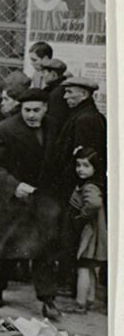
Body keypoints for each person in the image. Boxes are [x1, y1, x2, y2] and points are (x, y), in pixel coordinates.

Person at [0, 88, 62, 319]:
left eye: (36, 110)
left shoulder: (54, 127)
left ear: (45, 109)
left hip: (42, 198)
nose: (31, 115)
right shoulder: (5, 130)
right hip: (14, 200)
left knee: (45, 249)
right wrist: (13, 185)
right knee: (6, 248)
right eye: (27, 110)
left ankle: (48, 299)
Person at [50, 77, 107, 298]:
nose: (65, 97)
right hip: (78, 187)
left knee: (72, 236)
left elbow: (84, 159)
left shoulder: (85, 120)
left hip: (77, 190)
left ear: (83, 94)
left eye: (70, 92)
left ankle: (69, 286)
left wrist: (76, 187)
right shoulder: (87, 116)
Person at [66, 146, 107, 314]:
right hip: (95, 234)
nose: (81, 169)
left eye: (86, 165)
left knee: (82, 267)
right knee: (90, 267)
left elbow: (94, 203)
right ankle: (90, 300)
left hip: (89, 234)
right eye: (78, 165)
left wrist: (83, 215)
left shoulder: (90, 187)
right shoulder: (94, 183)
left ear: (95, 167)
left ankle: (80, 303)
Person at [37, 58, 70, 136]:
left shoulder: (57, 94)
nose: (42, 75)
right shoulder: (58, 89)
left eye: (44, 72)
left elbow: (53, 123)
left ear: (54, 74)